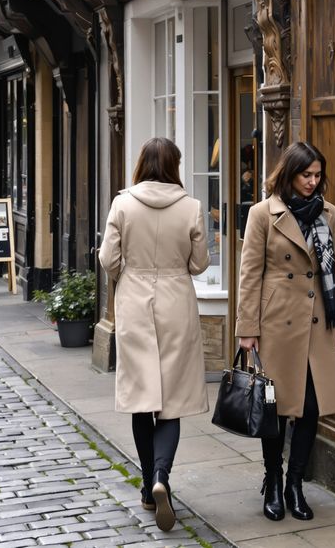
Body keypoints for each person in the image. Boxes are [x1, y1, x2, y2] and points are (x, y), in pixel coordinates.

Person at [235, 141, 335, 522]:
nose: (313, 182)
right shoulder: (262, 214)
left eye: (318, 176)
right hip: (276, 323)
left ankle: (295, 484)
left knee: (311, 407)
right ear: (289, 174)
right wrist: (246, 329)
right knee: (274, 407)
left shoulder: (328, 213)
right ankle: (272, 480)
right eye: (306, 175)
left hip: (319, 320)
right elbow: (249, 274)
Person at [98, 138, 209, 532]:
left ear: (142, 164)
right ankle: (162, 475)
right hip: (176, 301)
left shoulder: (123, 203)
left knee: (143, 399)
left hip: (135, 302)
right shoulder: (191, 206)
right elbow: (199, 264)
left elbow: (108, 259)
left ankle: (148, 486)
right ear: (175, 166)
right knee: (172, 400)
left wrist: (130, 273)